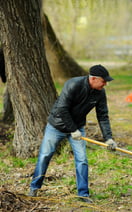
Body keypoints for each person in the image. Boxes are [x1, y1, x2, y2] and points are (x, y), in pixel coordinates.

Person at [28, 64, 117, 203]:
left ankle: (83, 194)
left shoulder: (100, 92)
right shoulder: (73, 84)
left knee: (82, 160)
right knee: (45, 155)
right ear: (93, 79)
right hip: (56, 126)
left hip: (78, 127)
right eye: (103, 81)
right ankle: (34, 187)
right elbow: (62, 109)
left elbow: (103, 116)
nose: (105, 84)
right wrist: (72, 129)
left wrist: (108, 138)